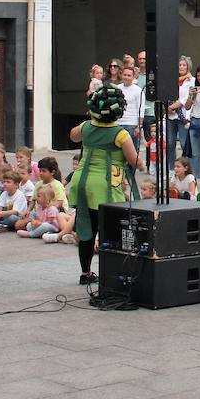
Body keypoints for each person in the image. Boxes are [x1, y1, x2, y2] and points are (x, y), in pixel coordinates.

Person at [69, 86, 143, 285]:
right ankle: (111, 274)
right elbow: (134, 161)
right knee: (111, 231)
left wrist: (89, 121)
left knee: (86, 231)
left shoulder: (86, 127)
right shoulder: (120, 134)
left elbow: (73, 136)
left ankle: (86, 273)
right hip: (106, 186)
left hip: (81, 183)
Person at [166, 56, 193, 169]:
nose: (181, 67)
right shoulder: (172, 79)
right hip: (171, 116)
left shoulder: (191, 80)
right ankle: (171, 169)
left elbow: (185, 99)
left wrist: (172, 106)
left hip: (183, 116)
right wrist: (168, 107)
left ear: (188, 67)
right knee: (170, 143)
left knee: (183, 143)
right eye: (180, 65)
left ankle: (186, 168)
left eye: (184, 65)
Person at [117, 64, 147, 151]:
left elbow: (141, 109)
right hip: (118, 123)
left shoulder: (138, 90)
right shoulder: (117, 89)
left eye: (129, 75)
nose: (126, 77)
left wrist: (139, 126)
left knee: (132, 151)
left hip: (132, 125)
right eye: (124, 75)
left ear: (133, 77)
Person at [0, 166, 29, 231]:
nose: (5, 184)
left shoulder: (19, 195)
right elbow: (0, 206)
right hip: (5, 215)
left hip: (18, 217)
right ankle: (2, 226)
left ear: (16, 185)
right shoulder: (4, 194)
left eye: (8, 182)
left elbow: (15, 212)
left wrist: (1, 213)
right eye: (4, 182)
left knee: (12, 218)